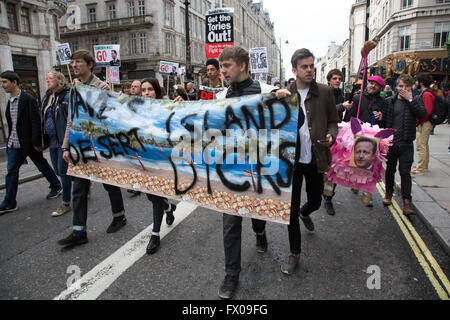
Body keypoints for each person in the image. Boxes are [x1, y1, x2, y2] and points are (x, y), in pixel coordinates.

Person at [216, 46, 276, 300]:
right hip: (231, 169)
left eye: (226, 66)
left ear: (242, 65)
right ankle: (232, 274)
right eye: (220, 67)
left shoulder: (266, 92)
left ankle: (260, 232)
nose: (222, 72)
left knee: (256, 212)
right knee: (230, 223)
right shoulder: (221, 96)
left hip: (259, 167)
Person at [275, 48, 339, 276]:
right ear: (294, 70)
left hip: (316, 156)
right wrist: (275, 96)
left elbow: (333, 120)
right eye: (305, 66)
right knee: (289, 210)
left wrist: (332, 134)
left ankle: (306, 212)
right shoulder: (283, 94)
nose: (310, 69)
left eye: (312, 65)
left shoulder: (324, 92)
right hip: (291, 161)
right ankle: (294, 252)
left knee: (315, 201)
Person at [57, 49, 128, 247]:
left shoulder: (102, 87)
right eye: (73, 63)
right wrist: (66, 146)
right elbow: (72, 120)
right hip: (79, 146)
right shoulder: (74, 88)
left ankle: (119, 215)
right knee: (79, 187)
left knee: (108, 183)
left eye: (78, 62)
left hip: (98, 144)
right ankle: (79, 231)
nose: (74, 66)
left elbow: (108, 117)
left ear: (89, 64)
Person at [0, 71, 62, 214]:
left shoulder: (28, 99)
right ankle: (9, 202)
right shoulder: (9, 101)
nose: (2, 85)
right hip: (13, 143)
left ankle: (56, 185)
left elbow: (35, 121)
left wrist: (36, 141)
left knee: (42, 165)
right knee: (11, 172)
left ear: (14, 82)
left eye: (5, 82)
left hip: (28, 142)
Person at [140, 78, 177, 254]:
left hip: (162, 158)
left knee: (155, 195)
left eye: (149, 90)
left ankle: (155, 235)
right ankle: (169, 208)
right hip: (145, 156)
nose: (146, 93)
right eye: (143, 90)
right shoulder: (137, 108)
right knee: (150, 195)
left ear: (157, 91)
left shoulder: (166, 107)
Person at [381, 74, 427, 217]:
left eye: (406, 87)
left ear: (411, 87)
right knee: (390, 170)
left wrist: (410, 99)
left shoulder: (416, 100)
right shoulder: (389, 101)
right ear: (396, 86)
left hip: (406, 143)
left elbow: (422, 114)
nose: (403, 89)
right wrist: (380, 117)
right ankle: (388, 193)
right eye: (401, 86)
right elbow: (384, 122)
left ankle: (407, 202)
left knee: (405, 172)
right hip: (391, 142)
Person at [343, 74, 385, 205]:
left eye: (376, 84)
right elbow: (349, 117)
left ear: (380, 88)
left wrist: (381, 116)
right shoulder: (358, 98)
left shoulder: (383, 101)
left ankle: (367, 193)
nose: (373, 86)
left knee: (372, 166)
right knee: (358, 163)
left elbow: (386, 119)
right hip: (359, 135)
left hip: (374, 138)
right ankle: (356, 183)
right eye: (371, 83)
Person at [41, 71, 72, 217]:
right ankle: (82, 183)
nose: (47, 81)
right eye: (46, 78)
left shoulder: (66, 95)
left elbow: (69, 119)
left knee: (63, 171)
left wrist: (67, 142)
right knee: (58, 171)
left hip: (62, 140)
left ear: (59, 80)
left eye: (50, 78)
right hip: (52, 141)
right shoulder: (47, 97)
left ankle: (66, 203)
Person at [323, 68, 345, 216]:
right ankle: (322, 191)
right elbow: (325, 111)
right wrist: (341, 107)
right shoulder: (324, 93)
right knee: (323, 168)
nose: (337, 81)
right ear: (329, 80)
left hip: (337, 133)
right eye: (335, 78)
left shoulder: (341, 94)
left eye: (339, 79)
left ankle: (328, 197)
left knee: (335, 168)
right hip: (324, 133)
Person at [411, 73, 435, 175]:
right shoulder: (426, 93)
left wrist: (419, 121)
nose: (415, 83)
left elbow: (428, 111)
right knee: (424, 144)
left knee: (421, 144)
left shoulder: (426, 94)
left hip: (425, 122)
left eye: (417, 81)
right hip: (424, 122)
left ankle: (421, 168)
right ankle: (424, 165)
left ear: (421, 83)